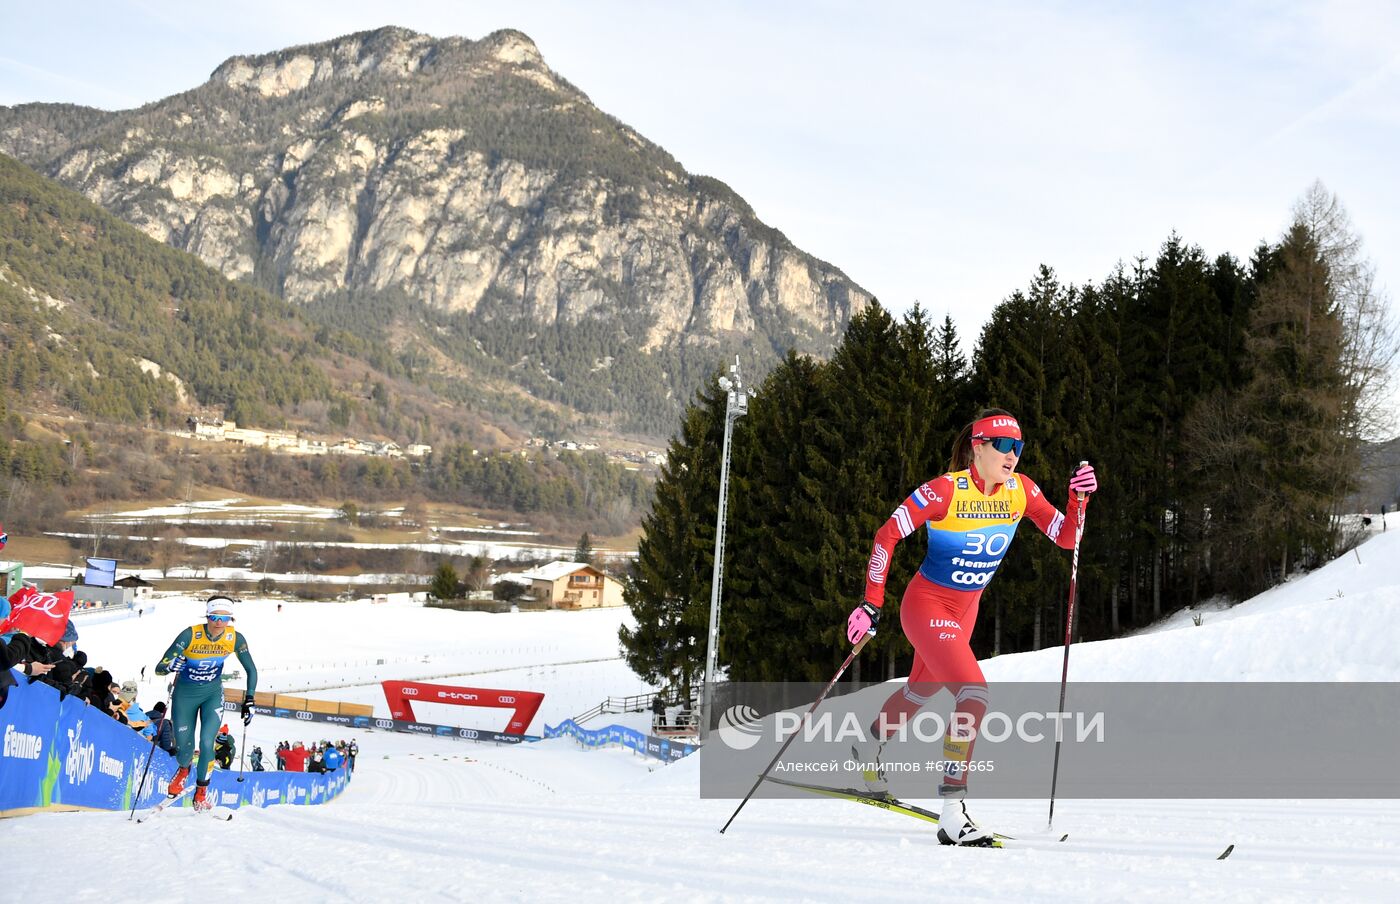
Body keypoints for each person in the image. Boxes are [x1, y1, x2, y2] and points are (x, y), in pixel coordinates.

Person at [846, 409, 1097, 846]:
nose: (1012, 456)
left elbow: (1066, 537)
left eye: (1018, 447)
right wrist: (871, 602)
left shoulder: (1022, 491)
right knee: (975, 694)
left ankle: (867, 748)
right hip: (926, 604)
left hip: (965, 611)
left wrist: (1079, 500)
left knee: (919, 691)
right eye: (1003, 446)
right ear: (978, 447)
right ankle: (953, 810)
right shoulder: (945, 491)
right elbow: (886, 535)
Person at [154, 596, 258, 811]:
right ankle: (183, 771)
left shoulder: (234, 638)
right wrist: (173, 664)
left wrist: (249, 699)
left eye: (224, 618)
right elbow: (160, 668)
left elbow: (251, 669)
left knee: (207, 742)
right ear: (207, 616)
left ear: (230, 619)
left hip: (212, 694)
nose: (219, 622)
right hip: (185, 696)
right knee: (185, 748)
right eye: (214, 617)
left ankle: (201, 793)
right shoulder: (190, 635)